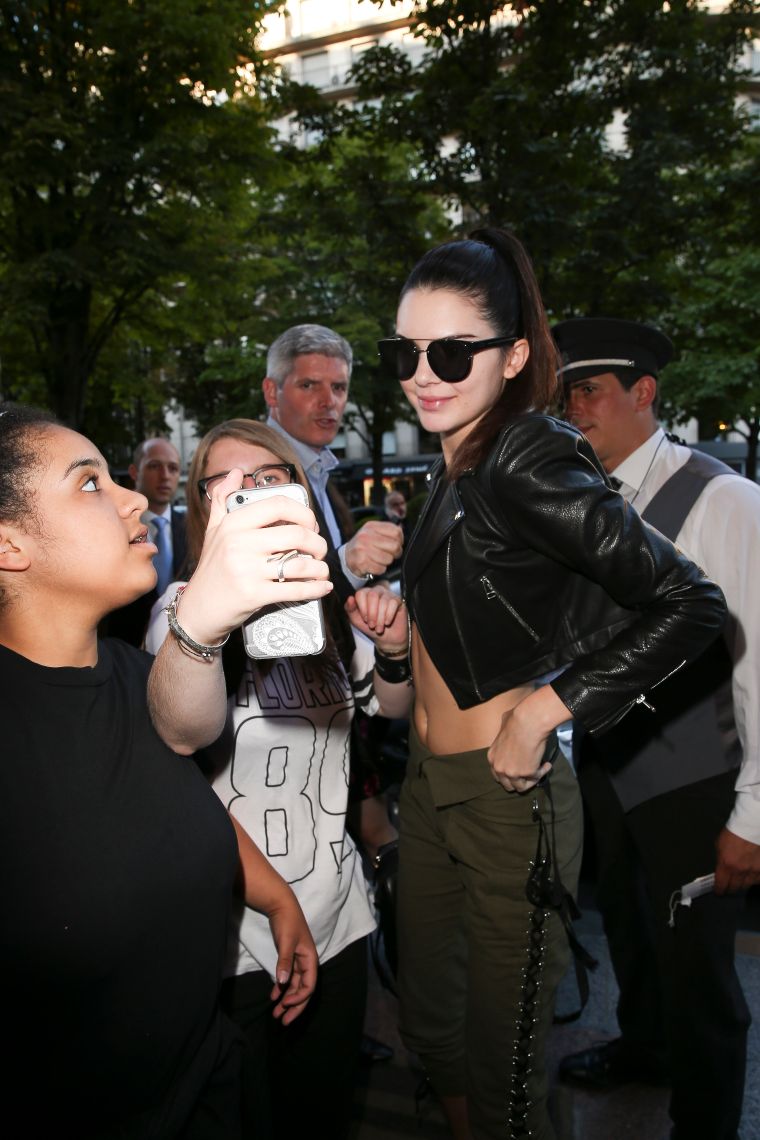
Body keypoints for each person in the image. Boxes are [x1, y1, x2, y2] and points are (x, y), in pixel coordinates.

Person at [377, 228, 727, 1140]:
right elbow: (468, 625)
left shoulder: (528, 450)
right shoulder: (448, 467)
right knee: (431, 1029)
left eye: (453, 351)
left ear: (518, 354)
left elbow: (692, 604)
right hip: (430, 788)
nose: (424, 373)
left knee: (506, 1072)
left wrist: (543, 712)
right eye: (405, 352)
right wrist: (390, 621)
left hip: (506, 802)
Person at [0, 402, 328, 1139]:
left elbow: (180, 798)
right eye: (89, 484)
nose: (135, 497)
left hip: (205, 1086)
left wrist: (278, 900)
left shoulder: (131, 673)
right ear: (8, 543)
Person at [145, 418, 412, 1140]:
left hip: (339, 917)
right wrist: (211, 617)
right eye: (225, 482)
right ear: (205, 507)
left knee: (320, 1114)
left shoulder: (324, 606)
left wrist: (391, 648)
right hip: (237, 934)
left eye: (268, 479)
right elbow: (179, 737)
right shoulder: (182, 614)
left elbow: (387, 706)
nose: (250, 495)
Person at [553, 317, 760, 1140]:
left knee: (701, 972)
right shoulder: (582, 498)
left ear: (644, 393)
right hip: (611, 762)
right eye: (565, 394)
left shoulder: (724, 499)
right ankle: (645, 1048)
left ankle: (704, 1123)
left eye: (590, 391)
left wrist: (753, 815)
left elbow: (759, 664)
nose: (573, 411)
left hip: (695, 773)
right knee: (634, 930)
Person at [106, 436, 187, 647]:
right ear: (134, 472)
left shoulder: (195, 530)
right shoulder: (111, 530)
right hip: (124, 650)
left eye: (173, 468)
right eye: (154, 466)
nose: (165, 476)